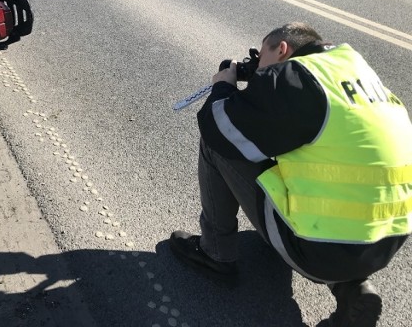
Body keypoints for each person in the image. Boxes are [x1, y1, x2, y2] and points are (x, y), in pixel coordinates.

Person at [170, 22, 412, 327]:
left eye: (262, 61)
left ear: (282, 49)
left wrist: (224, 86)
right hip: (386, 242)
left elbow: (218, 126)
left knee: (218, 144)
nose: (260, 72)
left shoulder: (295, 76)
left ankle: (215, 253)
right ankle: (351, 287)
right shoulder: (355, 72)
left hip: (318, 250)